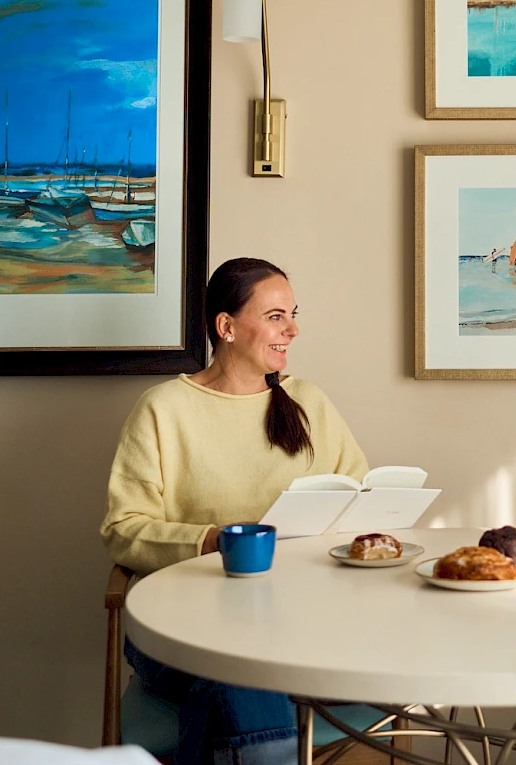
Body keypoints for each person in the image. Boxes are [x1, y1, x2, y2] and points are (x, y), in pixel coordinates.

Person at [100, 257, 368, 765]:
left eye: (292, 315)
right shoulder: (163, 409)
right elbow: (122, 529)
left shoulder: (309, 402)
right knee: (240, 662)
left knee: (238, 669)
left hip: (303, 616)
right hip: (181, 622)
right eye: (275, 317)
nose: (293, 330)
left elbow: (358, 497)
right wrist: (211, 542)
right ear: (226, 326)